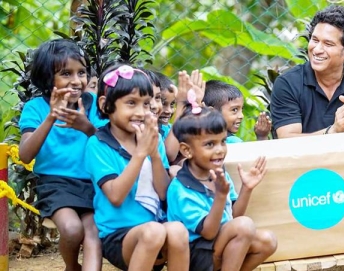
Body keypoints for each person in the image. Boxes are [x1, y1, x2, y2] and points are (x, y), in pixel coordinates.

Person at [85, 63, 189, 271]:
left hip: (155, 229)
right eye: (131, 103)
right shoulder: (98, 145)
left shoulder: (153, 138)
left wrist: (155, 156)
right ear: (106, 104)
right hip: (119, 235)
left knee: (177, 230)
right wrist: (141, 154)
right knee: (154, 232)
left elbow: (162, 194)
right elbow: (115, 196)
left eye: (146, 104)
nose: (141, 112)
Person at [18, 38, 104, 271]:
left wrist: (86, 127)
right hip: (55, 185)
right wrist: (51, 117)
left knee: (93, 232)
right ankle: (71, 266)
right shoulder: (35, 108)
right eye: (66, 73)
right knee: (72, 230)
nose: (77, 81)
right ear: (48, 79)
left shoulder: (94, 104)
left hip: (93, 183)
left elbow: (111, 144)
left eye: (82, 72)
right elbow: (25, 155)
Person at [167, 104, 277, 271]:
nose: (220, 150)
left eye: (223, 141)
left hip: (219, 245)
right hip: (196, 255)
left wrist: (247, 188)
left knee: (267, 241)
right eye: (210, 144)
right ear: (187, 150)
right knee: (245, 225)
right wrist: (220, 196)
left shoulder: (219, 174)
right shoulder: (181, 189)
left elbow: (234, 217)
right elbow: (208, 232)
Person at [270, 5, 344, 138]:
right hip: (306, 159)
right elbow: (287, 139)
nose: (317, 49)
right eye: (314, 40)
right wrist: (333, 131)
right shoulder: (288, 83)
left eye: (328, 44)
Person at [203, 80, 271, 143]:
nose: (241, 116)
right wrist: (262, 137)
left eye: (242, 109)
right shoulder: (233, 141)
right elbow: (258, 155)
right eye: (234, 110)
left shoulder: (199, 140)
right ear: (212, 112)